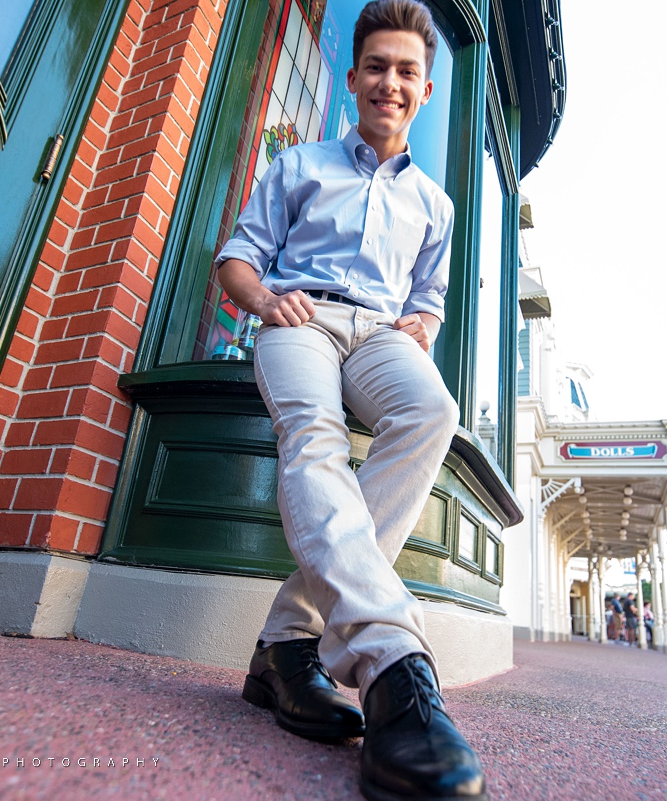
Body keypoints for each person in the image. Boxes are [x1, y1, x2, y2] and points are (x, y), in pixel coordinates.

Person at [215, 3, 483, 797]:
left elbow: (429, 295)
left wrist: (422, 324)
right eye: (377, 67)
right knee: (315, 434)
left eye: (406, 71)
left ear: (425, 89)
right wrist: (265, 302)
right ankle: (394, 662)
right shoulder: (299, 165)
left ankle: (285, 641)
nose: (389, 83)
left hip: (381, 334)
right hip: (301, 313)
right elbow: (236, 258)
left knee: (433, 411)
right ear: (354, 75)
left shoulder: (436, 205)